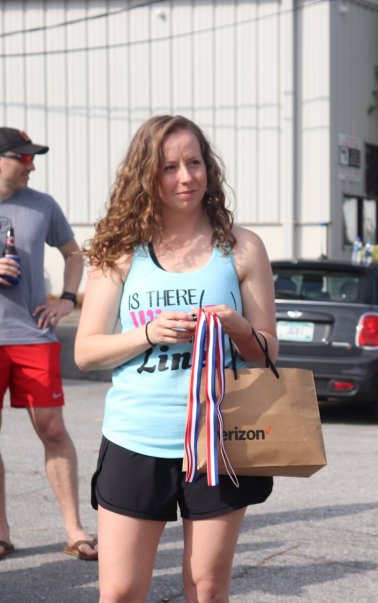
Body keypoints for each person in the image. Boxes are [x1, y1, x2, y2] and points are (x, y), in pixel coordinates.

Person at [74, 115, 277, 601]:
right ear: (147, 175)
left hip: (219, 441)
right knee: (121, 591)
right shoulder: (121, 251)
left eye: (194, 162)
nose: (185, 177)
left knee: (207, 589)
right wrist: (148, 333)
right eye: (169, 167)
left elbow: (268, 351)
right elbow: (85, 351)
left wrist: (238, 327)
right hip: (136, 437)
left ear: (209, 167)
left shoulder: (243, 247)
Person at [0, 127, 97, 562]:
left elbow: (74, 254)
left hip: (32, 336)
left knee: (53, 430)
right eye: (23, 158)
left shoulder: (43, 204)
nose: (32, 166)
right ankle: (1, 532)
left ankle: (75, 530)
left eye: (32, 158)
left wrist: (67, 299)